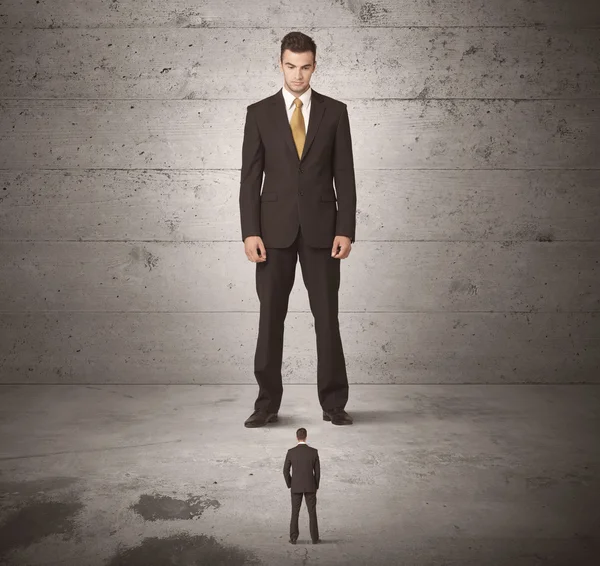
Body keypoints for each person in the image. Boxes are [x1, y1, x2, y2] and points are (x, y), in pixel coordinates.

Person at [239, 31, 357, 428]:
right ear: (281, 64)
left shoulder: (335, 112)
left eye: (305, 67)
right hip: (272, 233)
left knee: (327, 318)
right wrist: (249, 231)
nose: (298, 74)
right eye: (291, 66)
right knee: (270, 318)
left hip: (324, 231)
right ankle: (266, 404)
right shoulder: (259, 113)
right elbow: (249, 178)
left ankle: (334, 403)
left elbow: (346, 175)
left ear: (314, 66)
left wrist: (346, 228)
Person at [283, 428, 321, 544]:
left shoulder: (291, 452)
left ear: (297, 437)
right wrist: (315, 485)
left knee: (295, 512)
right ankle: (315, 538)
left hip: (296, 486)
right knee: (312, 512)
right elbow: (318, 472)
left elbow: (285, 471)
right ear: (306, 436)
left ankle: (293, 538)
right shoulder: (313, 452)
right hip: (310, 486)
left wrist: (290, 483)